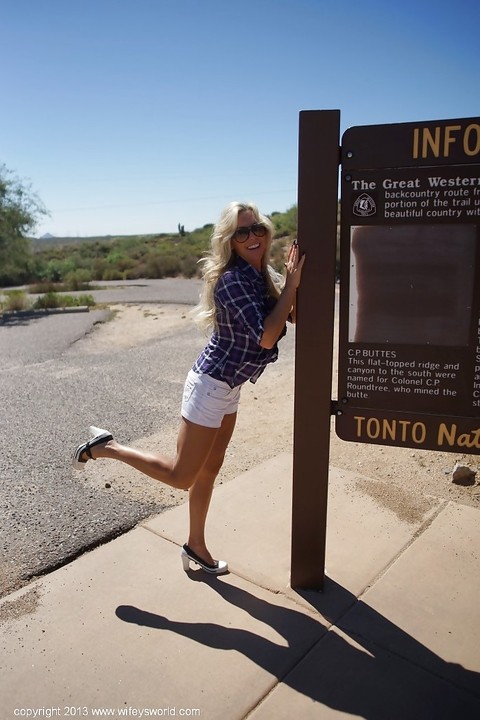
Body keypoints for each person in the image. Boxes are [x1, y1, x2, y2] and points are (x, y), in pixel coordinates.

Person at [72, 201, 305, 574]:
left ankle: (195, 545)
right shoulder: (232, 280)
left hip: (229, 387)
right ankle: (107, 448)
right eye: (242, 232)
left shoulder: (260, 274)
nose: (253, 237)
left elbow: (287, 313)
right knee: (183, 476)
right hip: (211, 385)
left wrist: (291, 286)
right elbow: (266, 337)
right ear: (230, 240)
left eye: (257, 228)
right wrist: (291, 286)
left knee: (211, 468)